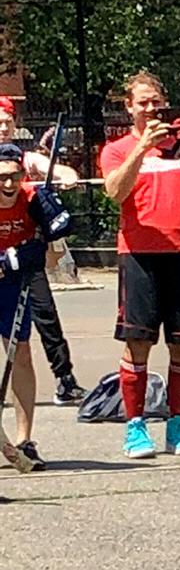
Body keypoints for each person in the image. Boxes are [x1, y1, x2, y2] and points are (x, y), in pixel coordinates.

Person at [98, 71, 180, 460]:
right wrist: (142, 149)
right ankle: (135, 427)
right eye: (143, 102)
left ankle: (178, 425)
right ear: (130, 107)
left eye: (156, 101)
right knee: (138, 344)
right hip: (139, 256)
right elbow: (116, 192)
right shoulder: (117, 149)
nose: (151, 108)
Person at [0, 100, 84, 405]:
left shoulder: (24, 158)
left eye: (7, 122)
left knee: (44, 313)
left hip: (25, 251)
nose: (3, 128)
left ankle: (65, 378)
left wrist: (63, 175)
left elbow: (54, 169)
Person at [0, 142, 72, 468]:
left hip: (14, 284)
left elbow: (51, 248)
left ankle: (24, 439)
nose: (8, 184)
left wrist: (53, 216)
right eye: (1, 177)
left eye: (15, 176)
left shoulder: (31, 198)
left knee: (21, 354)